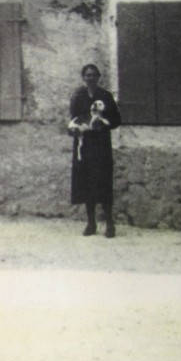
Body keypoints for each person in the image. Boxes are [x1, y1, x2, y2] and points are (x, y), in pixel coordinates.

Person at [68, 64, 121, 238]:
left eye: (93, 75)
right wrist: (74, 129)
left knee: (104, 183)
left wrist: (103, 124)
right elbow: (73, 119)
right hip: (84, 146)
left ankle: (110, 224)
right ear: (83, 77)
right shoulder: (78, 96)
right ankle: (91, 223)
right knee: (86, 183)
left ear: (99, 77)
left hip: (101, 145)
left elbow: (116, 120)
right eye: (87, 75)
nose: (91, 78)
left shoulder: (105, 96)